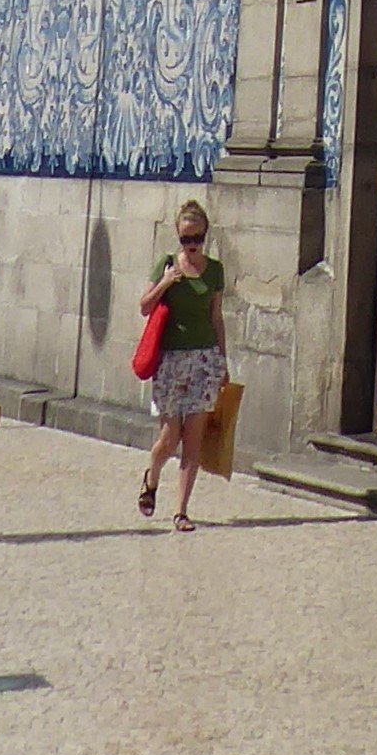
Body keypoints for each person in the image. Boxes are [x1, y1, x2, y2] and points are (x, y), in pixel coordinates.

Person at [135, 200, 225, 532]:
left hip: (204, 359)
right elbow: (144, 307)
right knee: (169, 437)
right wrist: (166, 282)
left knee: (194, 437)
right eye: (186, 239)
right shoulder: (167, 264)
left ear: (205, 235)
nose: (192, 245)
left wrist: (222, 360)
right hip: (171, 359)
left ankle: (181, 511)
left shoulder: (215, 270)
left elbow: (216, 318)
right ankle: (152, 475)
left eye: (197, 238)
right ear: (178, 236)